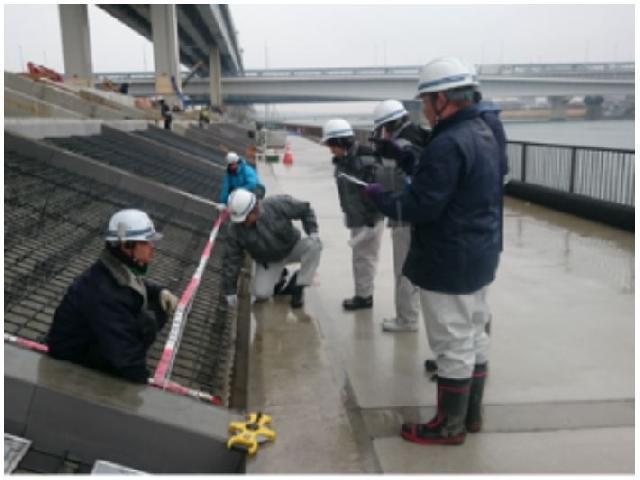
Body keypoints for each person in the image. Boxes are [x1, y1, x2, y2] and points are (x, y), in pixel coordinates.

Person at [365, 57, 504, 445]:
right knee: (474, 332)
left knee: (451, 341)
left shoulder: (449, 141)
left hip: (449, 258)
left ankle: (449, 425)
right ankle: (471, 416)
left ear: (443, 99)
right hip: (479, 252)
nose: (422, 109)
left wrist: (381, 199)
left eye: (425, 100)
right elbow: (458, 184)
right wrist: (410, 158)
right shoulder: (486, 130)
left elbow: (421, 205)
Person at [46, 209, 178, 384]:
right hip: (71, 366)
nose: (152, 248)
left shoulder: (111, 269)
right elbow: (129, 361)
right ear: (126, 245)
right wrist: (151, 385)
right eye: (146, 242)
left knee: (152, 308)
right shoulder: (105, 294)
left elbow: (132, 284)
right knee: (148, 322)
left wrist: (159, 291)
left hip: (89, 344)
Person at [370, 99, 430, 332]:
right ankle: (410, 316)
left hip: (405, 216)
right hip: (422, 215)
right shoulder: (421, 136)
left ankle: (407, 319)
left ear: (389, 125)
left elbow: (392, 179)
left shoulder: (401, 145)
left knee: (404, 270)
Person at [222, 189, 322, 309]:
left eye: (245, 218)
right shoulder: (235, 230)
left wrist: (312, 231)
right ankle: (280, 277)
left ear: (253, 209)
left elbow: (305, 209)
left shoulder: (276, 204)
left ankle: (298, 285)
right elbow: (232, 260)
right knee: (261, 293)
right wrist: (230, 290)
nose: (243, 222)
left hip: (292, 248)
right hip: (269, 261)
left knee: (315, 245)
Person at [322, 118, 384, 311]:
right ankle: (363, 293)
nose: (331, 150)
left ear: (342, 142)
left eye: (332, 145)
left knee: (364, 259)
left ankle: (364, 297)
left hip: (369, 219)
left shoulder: (366, 160)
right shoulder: (344, 161)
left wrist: (370, 221)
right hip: (357, 218)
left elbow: (378, 192)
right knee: (360, 257)